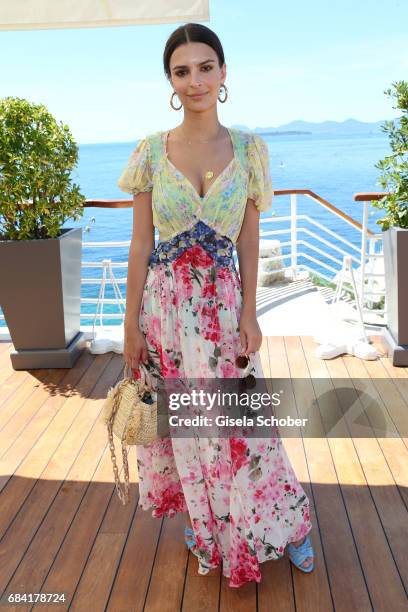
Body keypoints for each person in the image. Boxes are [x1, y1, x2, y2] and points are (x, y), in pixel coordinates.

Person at [119, 22, 314, 588]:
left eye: (206, 67)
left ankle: (287, 525)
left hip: (224, 308)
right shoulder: (151, 151)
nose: (195, 79)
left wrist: (252, 311)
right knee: (189, 427)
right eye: (183, 71)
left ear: (223, 74)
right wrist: (129, 324)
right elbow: (140, 243)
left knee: (246, 427)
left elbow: (249, 239)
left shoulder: (250, 148)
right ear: (171, 82)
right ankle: (210, 530)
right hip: (166, 311)